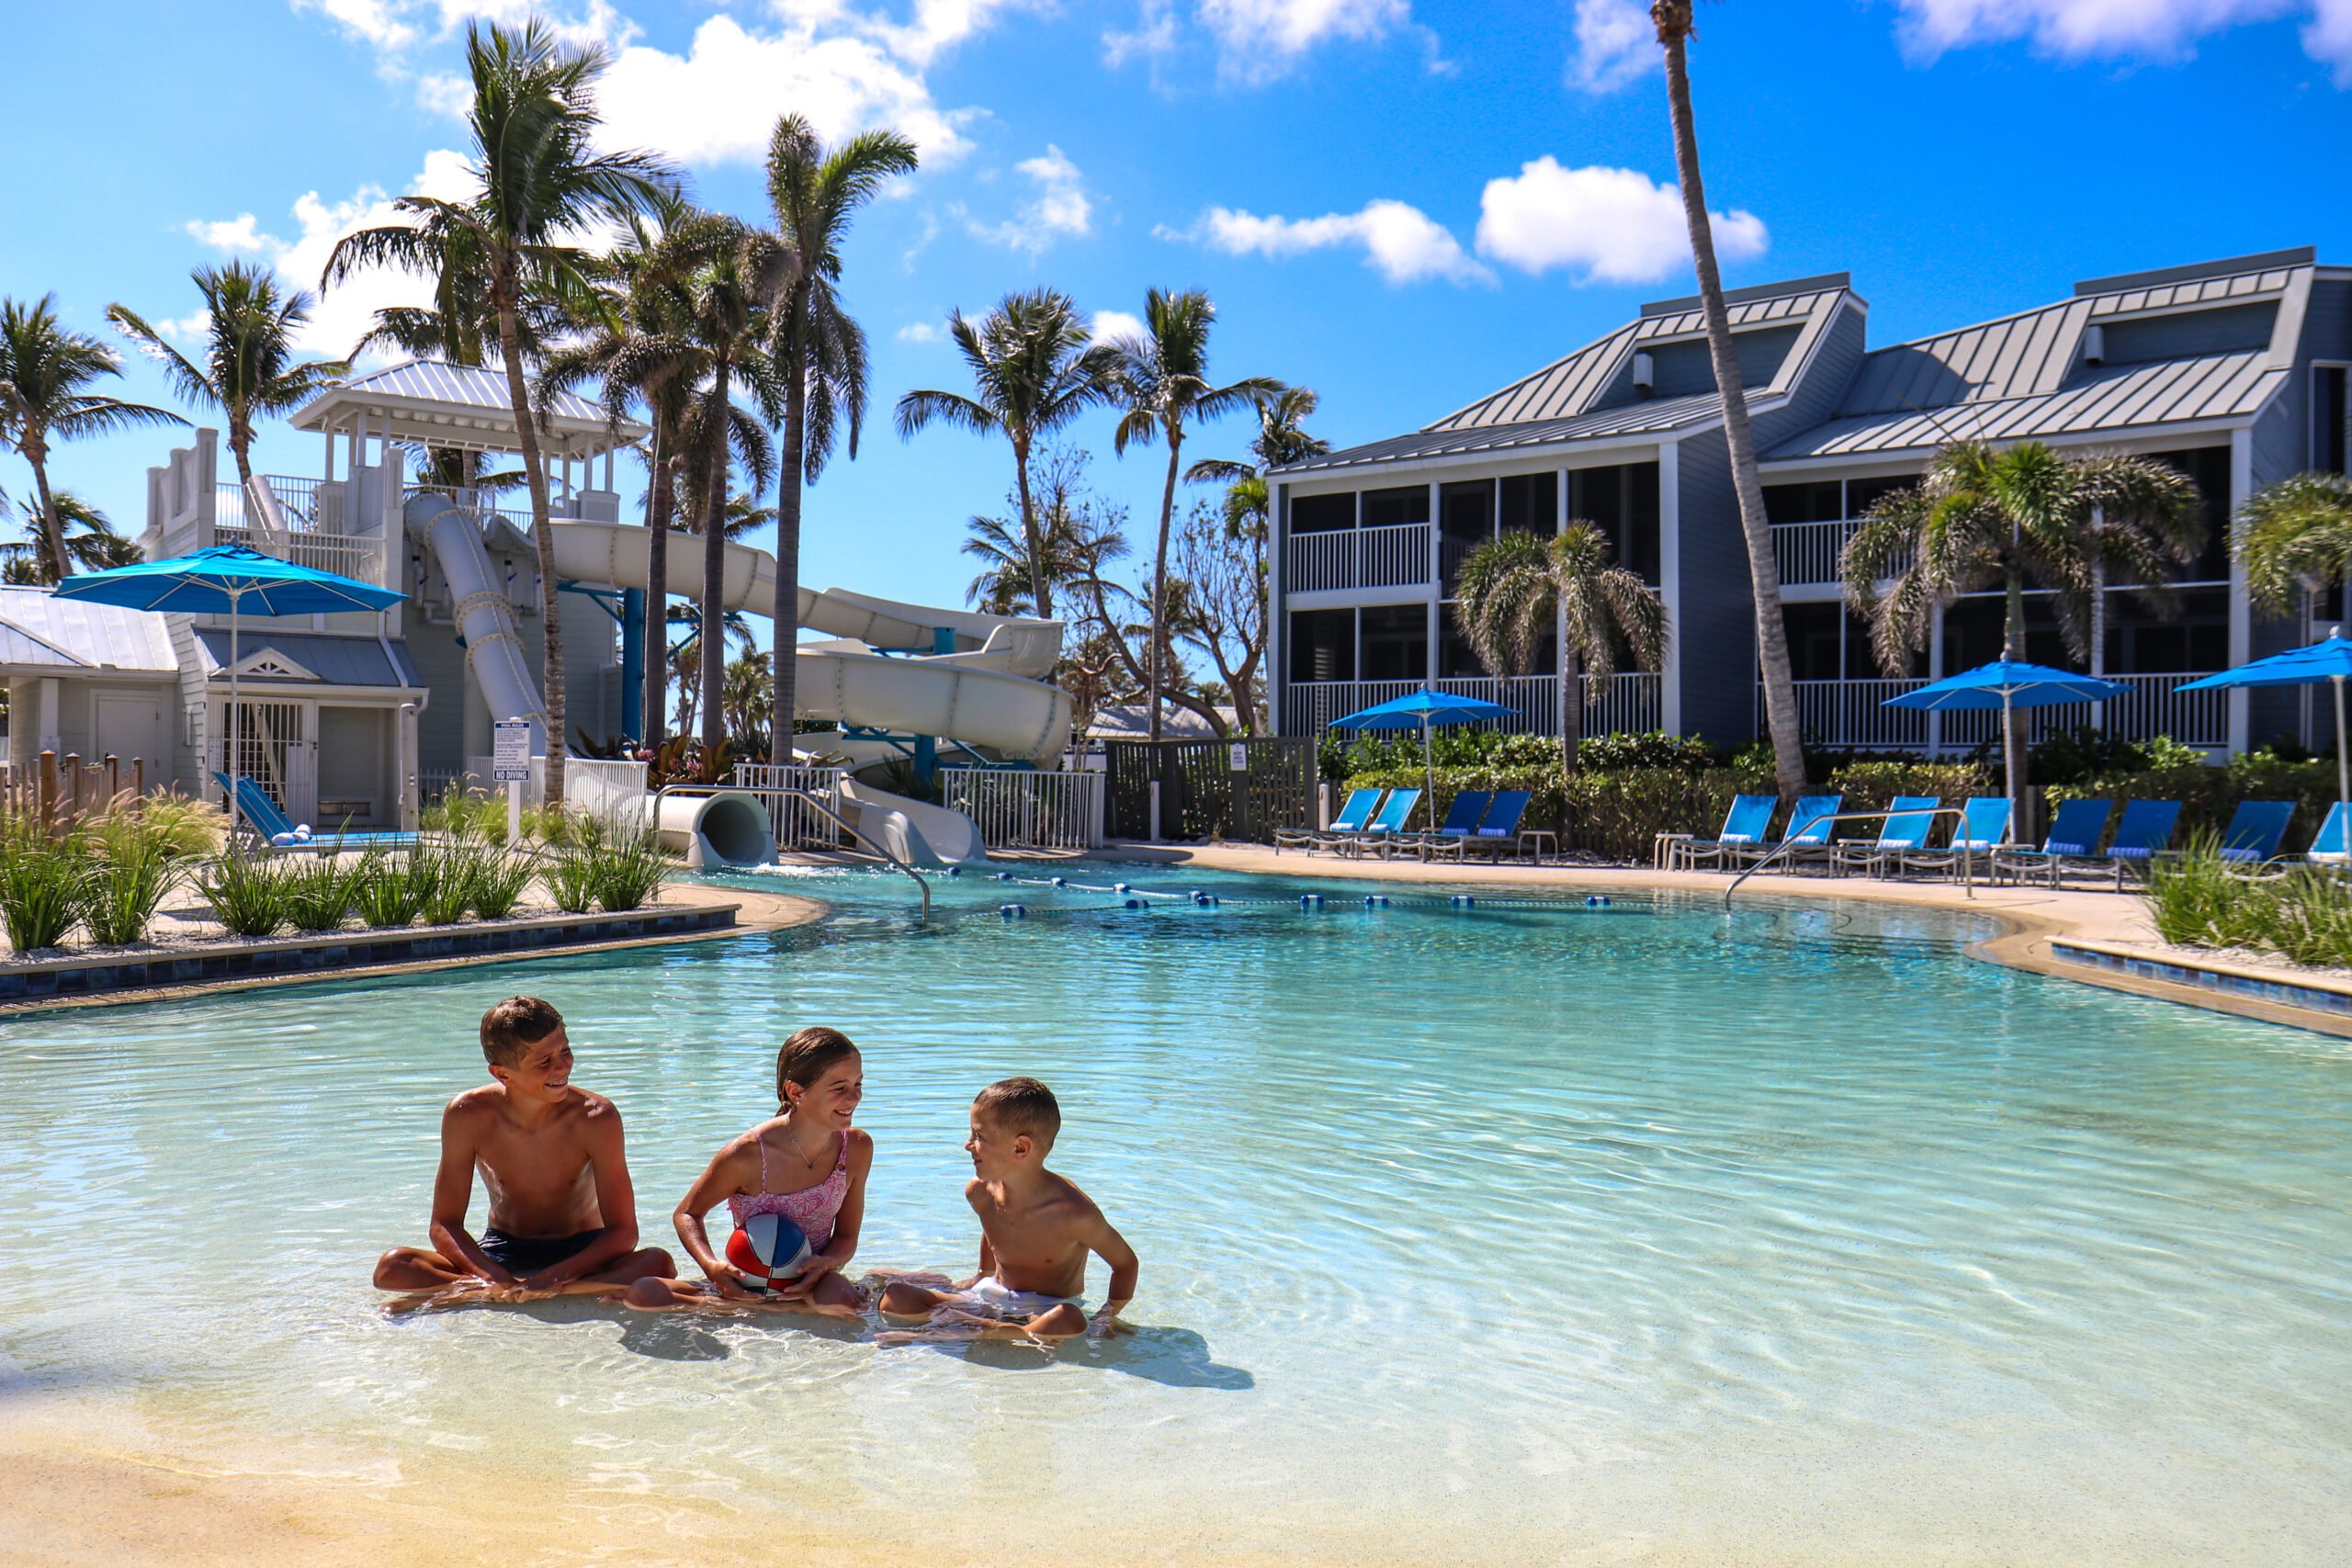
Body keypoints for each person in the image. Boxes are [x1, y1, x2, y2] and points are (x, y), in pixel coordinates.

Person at [374, 996, 675, 1300]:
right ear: (502, 1074)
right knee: (394, 1266)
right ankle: (526, 1290)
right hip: (503, 1247)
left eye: (565, 1051)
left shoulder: (596, 1117)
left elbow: (624, 1232)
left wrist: (555, 1275)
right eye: (544, 1062)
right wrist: (491, 1275)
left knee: (658, 1263)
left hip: (584, 1250)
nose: (562, 1066)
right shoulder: (467, 1114)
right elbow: (444, 1224)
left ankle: (507, 1292)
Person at [624, 1026, 873, 1315]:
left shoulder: (856, 1148)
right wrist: (712, 1266)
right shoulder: (748, 1155)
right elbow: (687, 1213)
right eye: (839, 1088)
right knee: (644, 1293)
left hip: (817, 1285)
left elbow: (846, 1237)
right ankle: (759, 1307)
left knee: (836, 1298)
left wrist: (826, 1264)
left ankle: (754, 1310)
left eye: (858, 1084)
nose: (854, 1097)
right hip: (751, 1281)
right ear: (795, 1092)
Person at [876, 1077, 1137, 1345]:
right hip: (991, 1294)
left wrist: (1108, 1316)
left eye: (979, 1136)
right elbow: (993, 1228)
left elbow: (1126, 1264)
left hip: (1044, 1308)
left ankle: (973, 1328)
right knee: (895, 1297)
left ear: (1020, 1147)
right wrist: (983, 1273)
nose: (967, 1144)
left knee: (1070, 1320)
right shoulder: (981, 1192)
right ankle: (995, 1330)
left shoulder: (1073, 1212)